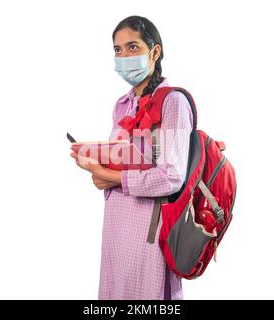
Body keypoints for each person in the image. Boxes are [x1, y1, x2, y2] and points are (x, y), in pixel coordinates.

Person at [70, 15, 193, 300]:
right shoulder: (122, 104)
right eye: (118, 49)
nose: (124, 56)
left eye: (133, 47)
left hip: (150, 231)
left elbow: (172, 177)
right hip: (116, 227)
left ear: (155, 51)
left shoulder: (172, 101)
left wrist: (111, 177)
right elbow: (123, 161)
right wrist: (98, 171)